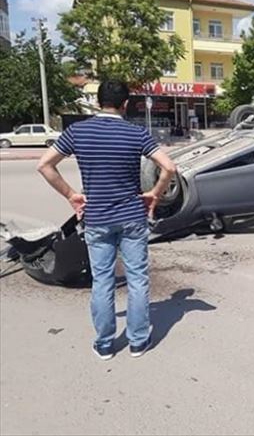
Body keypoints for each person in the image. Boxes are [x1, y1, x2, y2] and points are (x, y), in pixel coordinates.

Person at [37, 80, 177, 360]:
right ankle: (138, 342)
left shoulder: (77, 131)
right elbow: (169, 167)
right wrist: (154, 194)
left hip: (97, 218)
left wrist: (71, 195)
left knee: (102, 281)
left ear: (98, 102)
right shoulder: (136, 133)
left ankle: (104, 344)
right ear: (125, 104)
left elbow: (44, 165)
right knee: (137, 279)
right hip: (132, 218)